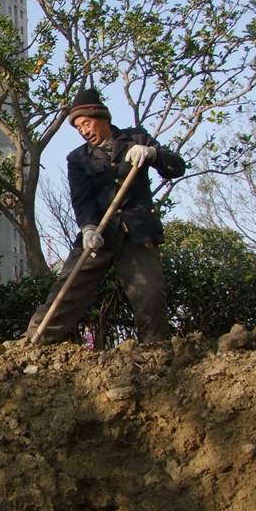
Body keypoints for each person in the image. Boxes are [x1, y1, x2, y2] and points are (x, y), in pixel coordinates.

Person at [26, 87, 186, 345]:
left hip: (137, 232)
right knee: (67, 291)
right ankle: (32, 343)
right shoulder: (78, 159)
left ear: (103, 118)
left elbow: (176, 167)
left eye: (87, 123)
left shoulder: (137, 138)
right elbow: (81, 198)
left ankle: (155, 351)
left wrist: (154, 154)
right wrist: (88, 228)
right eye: (79, 128)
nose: (84, 131)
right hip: (98, 232)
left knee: (150, 293)